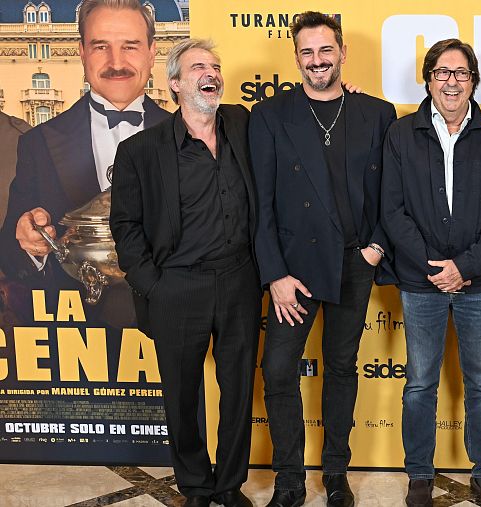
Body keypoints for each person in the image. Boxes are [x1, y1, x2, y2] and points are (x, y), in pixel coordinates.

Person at [248, 11, 397, 507]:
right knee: (278, 370)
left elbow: (388, 191)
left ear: (342, 53)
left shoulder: (376, 113)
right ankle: (290, 479)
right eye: (307, 52)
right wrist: (274, 274)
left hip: (355, 262)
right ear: (297, 58)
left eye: (325, 50)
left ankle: (336, 474)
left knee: (341, 367)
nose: (317, 60)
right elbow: (261, 202)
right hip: (295, 269)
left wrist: (377, 245)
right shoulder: (270, 116)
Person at [110, 39, 259, 507]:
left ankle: (229, 484)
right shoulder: (140, 150)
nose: (209, 73)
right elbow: (126, 226)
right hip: (176, 285)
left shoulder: (243, 123)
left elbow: (300, 116)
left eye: (215, 66)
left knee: (237, 390)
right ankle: (195, 484)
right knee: (182, 394)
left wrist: (345, 92)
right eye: (197, 67)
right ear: (175, 83)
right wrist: (153, 285)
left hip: (239, 279)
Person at [381, 38, 481, 507]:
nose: (451, 81)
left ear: (474, 81)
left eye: (461, 73)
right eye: (442, 72)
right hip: (420, 283)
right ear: (428, 79)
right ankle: (419, 474)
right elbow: (393, 211)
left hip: (478, 282)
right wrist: (433, 268)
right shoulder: (402, 134)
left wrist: (464, 266)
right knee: (420, 382)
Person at [0, 0, 168, 322]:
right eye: (100, 46)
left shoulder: (189, 140)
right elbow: (10, 253)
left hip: (169, 332)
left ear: (151, 52)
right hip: (75, 336)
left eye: (130, 47)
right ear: (81, 52)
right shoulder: (38, 142)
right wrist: (30, 245)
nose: (116, 63)